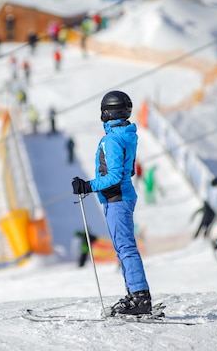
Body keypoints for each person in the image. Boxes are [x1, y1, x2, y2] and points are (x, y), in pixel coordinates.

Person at [71, 90, 152, 316]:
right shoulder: (126, 134)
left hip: (117, 198)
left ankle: (140, 297)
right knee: (122, 247)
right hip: (119, 197)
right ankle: (134, 294)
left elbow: (115, 176)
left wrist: (88, 185)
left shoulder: (112, 139)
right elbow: (130, 171)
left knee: (125, 248)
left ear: (107, 112)